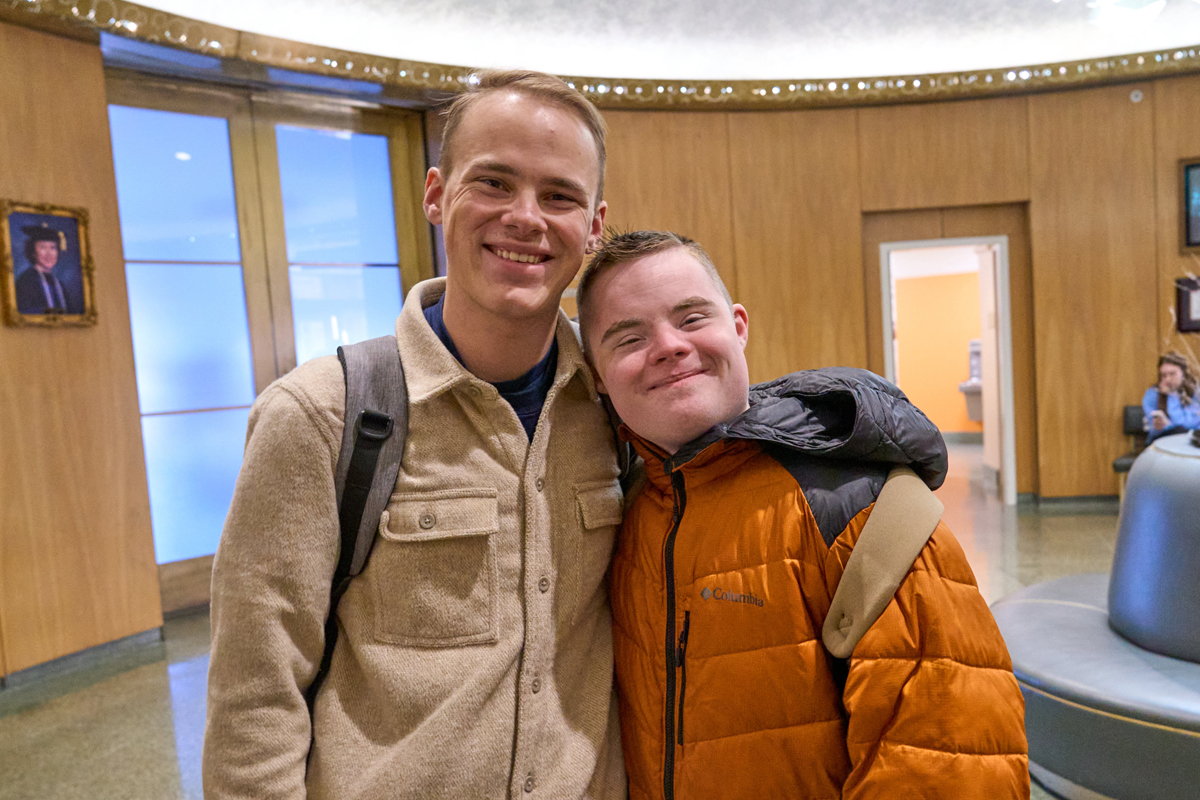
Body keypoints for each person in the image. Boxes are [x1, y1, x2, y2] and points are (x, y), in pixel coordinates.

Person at [203, 70, 627, 799]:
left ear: (594, 226)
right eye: (493, 183)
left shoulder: (619, 407)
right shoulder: (320, 415)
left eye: (559, 195)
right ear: (437, 194)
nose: (526, 217)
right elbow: (254, 697)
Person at [577, 230, 1030, 800]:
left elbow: (949, 765)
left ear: (738, 326)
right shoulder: (628, 510)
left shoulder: (863, 511)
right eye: (629, 338)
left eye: (691, 319)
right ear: (596, 374)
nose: (668, 346)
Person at [13, 224, 82, 315]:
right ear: (33, 251)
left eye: (53, 248)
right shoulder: (25, 282)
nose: (49, 254)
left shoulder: (58, 284)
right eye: (42, 247)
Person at [1142, 352, 1200, 442]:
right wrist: (1171, 396)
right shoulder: (1152, 394)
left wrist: (1173, 396)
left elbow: (1189, 424)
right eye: (1164, 375)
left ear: (1183, 373)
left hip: (1191, 439)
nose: (1167, 379)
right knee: (1178, 430)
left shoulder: (1194, 393)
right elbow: (1153, 429)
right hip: (1163, 440)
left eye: (1172, 374)